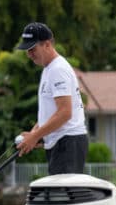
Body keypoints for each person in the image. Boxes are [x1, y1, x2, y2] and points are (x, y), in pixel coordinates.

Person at [15, 21, 89, 175]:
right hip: (61, 143)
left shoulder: (57, 69)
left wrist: (35, 136)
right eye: (27, 50)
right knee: (59, 195)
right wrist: (34, 133)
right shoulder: (49, 69)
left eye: (32, 49)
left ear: (47, 45)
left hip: (68, 142)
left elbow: (64, 113)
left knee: (62, 196)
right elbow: (51, 112)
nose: (29, 54)